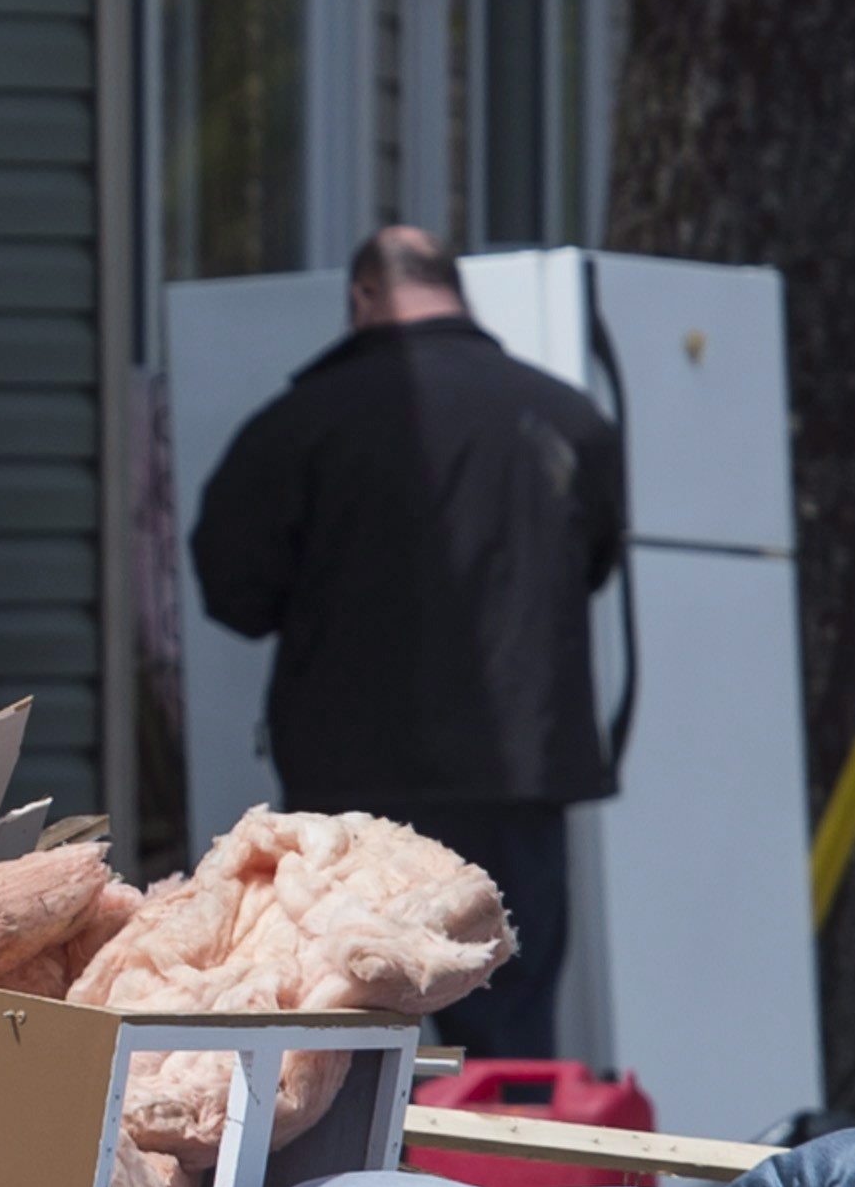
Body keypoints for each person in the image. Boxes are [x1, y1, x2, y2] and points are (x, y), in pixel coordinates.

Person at [185, 225, 627, 1058]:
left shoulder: (296, 424)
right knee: (508, 1024)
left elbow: (235, 595)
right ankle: (505, 1181)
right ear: (454, 291)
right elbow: (593, 565)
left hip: (353, 785)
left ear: (361, 297)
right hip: (516, 773)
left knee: (349, 1015)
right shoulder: (568, 417)